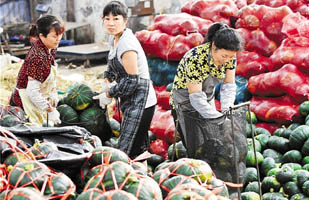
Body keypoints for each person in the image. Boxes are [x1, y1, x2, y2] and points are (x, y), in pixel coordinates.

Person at [170, 22, 246, 185]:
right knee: (196, 145)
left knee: (213, 143)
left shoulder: (230, 57)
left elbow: (228, 86)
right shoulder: (195, 58)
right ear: (213, 46)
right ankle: (197, 184)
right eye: (223, 56)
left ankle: (216, 182)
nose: (227, 61)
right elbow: (196, 98)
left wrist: (226, 111)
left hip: (206, 98)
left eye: (230, 57)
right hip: (185, 102)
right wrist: (217, 119)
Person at [93, 1, 157, 159]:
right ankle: (144, 180)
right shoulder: (114, 38)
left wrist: (109, 94)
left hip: (142, 102)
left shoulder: (126, 44)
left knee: (127, 152)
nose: (111, 23)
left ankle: (135, 180)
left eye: (116, 19)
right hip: (132, 100)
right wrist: (107, 79)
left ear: (125, 21)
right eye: (107, 19)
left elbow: (132, 81)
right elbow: (113, 65)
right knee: (138, 151)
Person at [10, 15, 64, 126]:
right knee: (31, 130)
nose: (58, 39)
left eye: (60, 35)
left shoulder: (50, 48)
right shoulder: (37, 57)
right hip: (25, 101)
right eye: (54, 36)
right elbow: (32, 92)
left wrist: (53, 93)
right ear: (42, 36)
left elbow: (49, 75)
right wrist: (49, 109)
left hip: (38, 97)